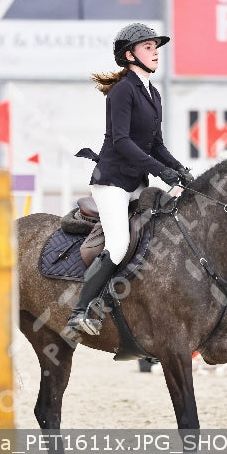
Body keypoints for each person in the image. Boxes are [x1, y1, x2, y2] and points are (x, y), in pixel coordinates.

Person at [67, 23, 194, 335]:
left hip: (136, 182)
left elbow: (157, 145)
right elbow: (122, 142)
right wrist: (161, 171)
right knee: (120, 244)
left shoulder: (153, 93)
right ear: (129, 55)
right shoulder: (122, 91)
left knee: (160, 234)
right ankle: (81, 311)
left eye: (155, 48)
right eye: (148, 48)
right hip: (112, 182)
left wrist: (180, 170)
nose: (155, 53)